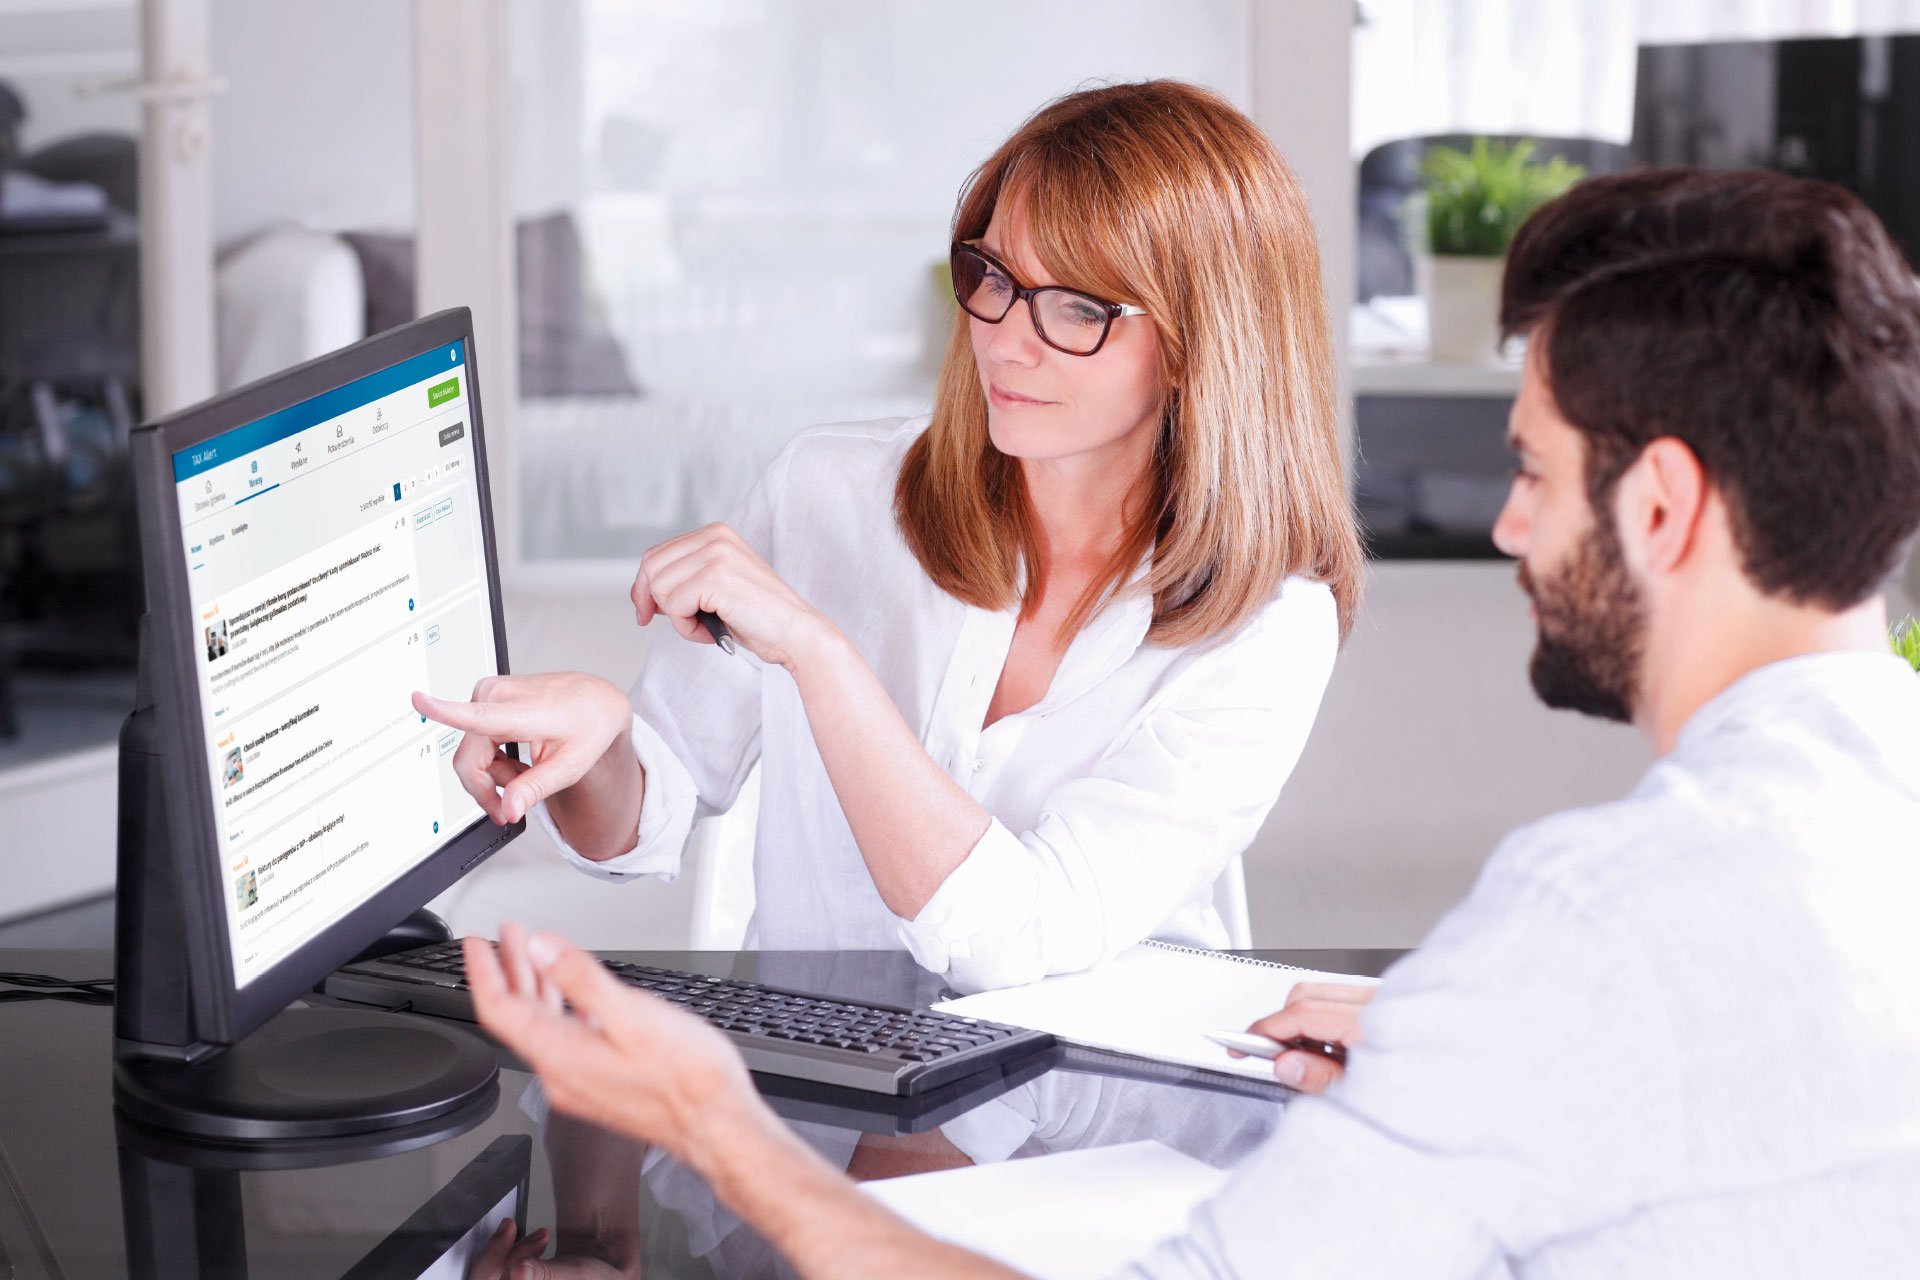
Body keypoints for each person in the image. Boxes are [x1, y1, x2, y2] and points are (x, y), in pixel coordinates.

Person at [461, 165, 1920, 1278]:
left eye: (1531, 471)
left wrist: (710, 1117)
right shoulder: (1825, 839)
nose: (1504, 525)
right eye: (990, 280)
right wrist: (1468, 1034)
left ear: (1660, 505)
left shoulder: (1585, 914)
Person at [418, 81, 1363, 992]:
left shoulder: (1273, 628)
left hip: (1091, 1123)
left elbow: (1023, 935)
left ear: (1208, 341)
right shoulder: (828, 490)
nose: (1004, 338)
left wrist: (821, 659)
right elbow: (644, 817)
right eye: (994, 276)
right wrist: (600, 742)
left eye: (1077, 307)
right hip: (815, 1098)